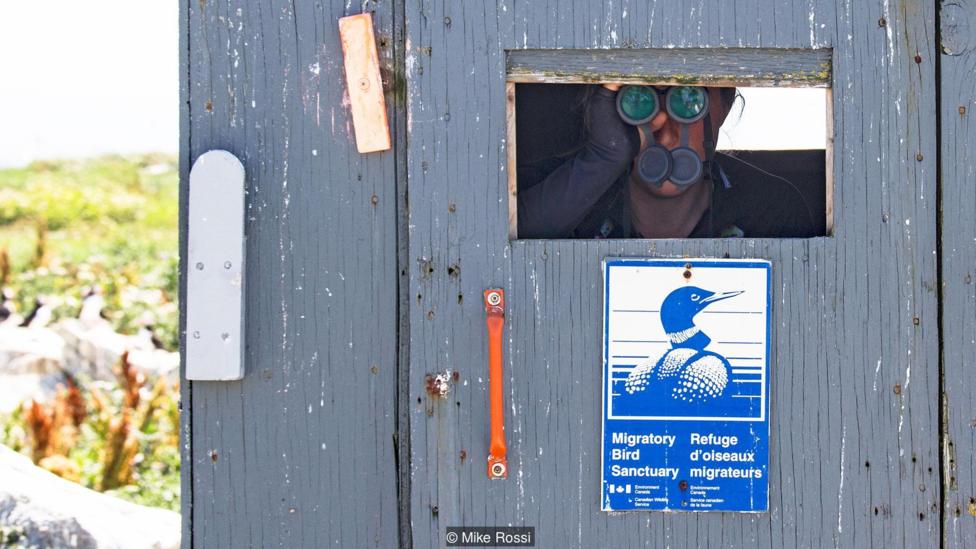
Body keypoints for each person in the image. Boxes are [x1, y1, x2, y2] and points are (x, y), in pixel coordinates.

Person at [516, 84, 818, 239]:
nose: (666, 129)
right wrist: (602, 160)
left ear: (724, 109)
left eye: (690, 101)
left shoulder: (770, 209)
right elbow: (498, 244)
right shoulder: (560, 191)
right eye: (638, 101)